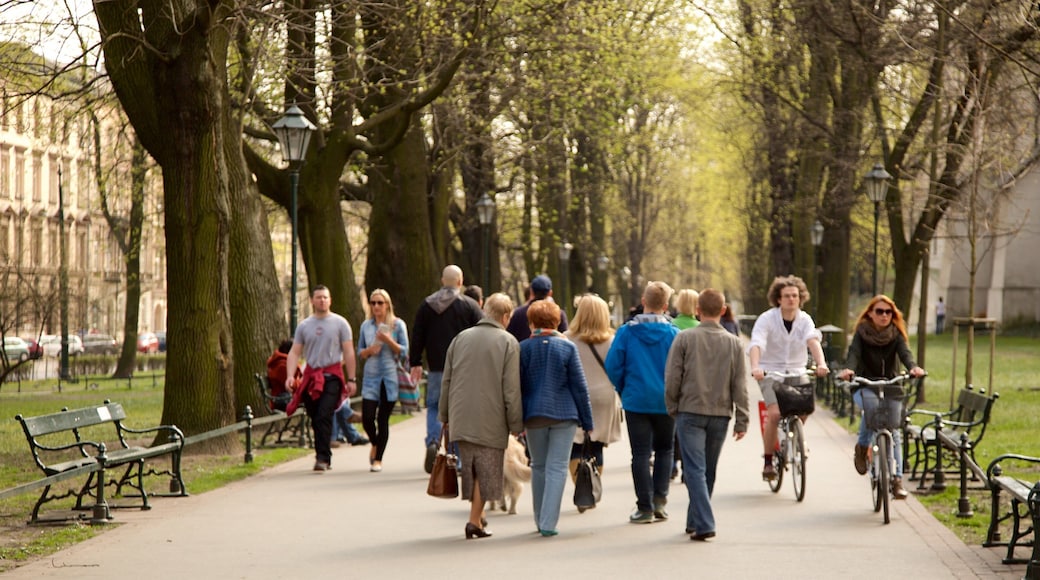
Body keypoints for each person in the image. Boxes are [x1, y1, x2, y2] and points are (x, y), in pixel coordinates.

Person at [665, 288, 749, 541]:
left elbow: (672, 377)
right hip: (720, 413)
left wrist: (672, 406)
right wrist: (742, 418)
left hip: (690, 410)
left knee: (694, 469)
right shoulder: (735, 343)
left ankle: (704, 522)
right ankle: (695, 520)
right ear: (723, 311)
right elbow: (739, 384)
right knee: (707, 470)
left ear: (697, 310)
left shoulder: (684, 339)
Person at [440, 293, 524, 540]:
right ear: (506, 316)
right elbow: (511, 389)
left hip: (461, 414)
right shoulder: (508, 342)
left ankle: (478, 516)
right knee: (487, 470)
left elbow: (447, 380)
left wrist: (444, 414)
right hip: (491, 416)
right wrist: (516, 423)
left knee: (473, 469)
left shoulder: (460, 338)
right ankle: (474, 521)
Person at [605, 280, 680, 524]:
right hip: (665, 400)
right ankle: (660, 500)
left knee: (639, 454)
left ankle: (644, 507)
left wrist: (623, 388)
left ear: (643, 302)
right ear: (666, 305)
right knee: (665, 449)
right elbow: (681, 368)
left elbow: (613, 365)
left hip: (636, 400)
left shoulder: (626, 332)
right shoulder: (673, 334)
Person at [837, 295, 925, 500]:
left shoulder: (896, 334)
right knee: (872, 410)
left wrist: (913, 368)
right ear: (870, 313)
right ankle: (863, 447)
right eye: (880, 311)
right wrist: (849, 369)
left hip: (891, 386)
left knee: (894, 431)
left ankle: (897, 480)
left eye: (888, 312)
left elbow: (905, 354)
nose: (884, 315)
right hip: (865, 384)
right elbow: (854, 354)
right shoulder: (861, 333)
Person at [520, 299, 594, 536]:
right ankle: (549, 522)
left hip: (533, 415)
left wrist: (516, 418)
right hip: (564, 415)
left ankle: (538, 518)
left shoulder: (523, 348)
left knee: (539, 466)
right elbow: (579, 387)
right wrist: (587, 420)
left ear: (531, 322)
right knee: (558, 467)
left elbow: (517, 387)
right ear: (557, 321)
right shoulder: (568, 348)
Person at [747, 275, 829, 480]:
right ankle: (768, 461)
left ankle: (795, 439)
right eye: (786, 296)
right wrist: (756, 366)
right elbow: (757, 343)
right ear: (778, 299)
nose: (791, 299)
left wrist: (821, 363)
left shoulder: (805, 320)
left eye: (795, 295)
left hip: (797, 370)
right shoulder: (766, 319)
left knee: (805, 409)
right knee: (774, 415)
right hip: (770, 372)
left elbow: (813, 341)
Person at [410, 265, 484, 473]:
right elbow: (483, 333)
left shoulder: (426, 305)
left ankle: (433, 440)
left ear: (443, 281)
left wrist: (415, 362)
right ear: (460, 282)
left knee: (434, 406)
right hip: (464, 369)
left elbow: (417, 335)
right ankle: (458, 458)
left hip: (436, 368)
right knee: (460, 412)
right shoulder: (469, 306)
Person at [285, 285, 357, 472]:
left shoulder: (340, 323)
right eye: (318, 297)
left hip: (332, 376)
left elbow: (349, 352)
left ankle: (322, 458)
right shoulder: (304, 326)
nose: (322, 300)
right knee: (315, 416)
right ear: (312, 300)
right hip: (311, 377)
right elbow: (294, 352)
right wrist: (290, 376)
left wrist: (352, 379)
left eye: (325, 297)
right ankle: (322, 454)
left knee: (325, 413)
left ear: (330, 300)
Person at [564, 295, 622, 482]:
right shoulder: (612, 341)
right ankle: (593, 485)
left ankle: (581, 488)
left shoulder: (566, 339)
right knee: (596, 446)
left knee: (575, 445)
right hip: (604, 397)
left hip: (574, 397)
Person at [357, 288, 408, 472]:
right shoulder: (366, 326)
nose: (376, 306)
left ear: (387, 305)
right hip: (371, 377)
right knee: (368, 418)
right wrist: (369, 351)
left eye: (380, 302)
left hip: (389, 377)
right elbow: (360, 352)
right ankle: (375, 443)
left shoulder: (397, 324)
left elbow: (404, 351)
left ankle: (378, 459)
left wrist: (388, 340)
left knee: (383, 419)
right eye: (373, 303)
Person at [506, 275, 569, 342]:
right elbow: (564, 337)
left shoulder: (518, 313)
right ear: (550, 293)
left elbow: (510, 337)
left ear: (531, 291)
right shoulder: (558, 313)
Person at [266, 339, 298, 411]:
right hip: (283, 399)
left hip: (285, 397)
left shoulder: (282, 363)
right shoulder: (282, 366)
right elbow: (291, 385)